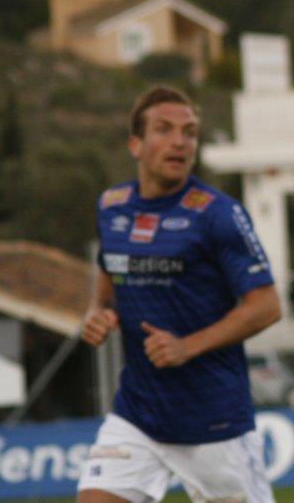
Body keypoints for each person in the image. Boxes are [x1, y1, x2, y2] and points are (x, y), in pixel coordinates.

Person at [77, 86, 281, 503]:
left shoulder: (218, 214)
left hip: (214, 423)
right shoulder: (111, 207)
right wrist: (98, 312)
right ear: (135, 144)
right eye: (164, 129)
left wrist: (187, 346)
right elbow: (109, 272)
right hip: (138, 417)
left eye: (189, 133)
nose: (180, 142)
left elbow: (266, 306)